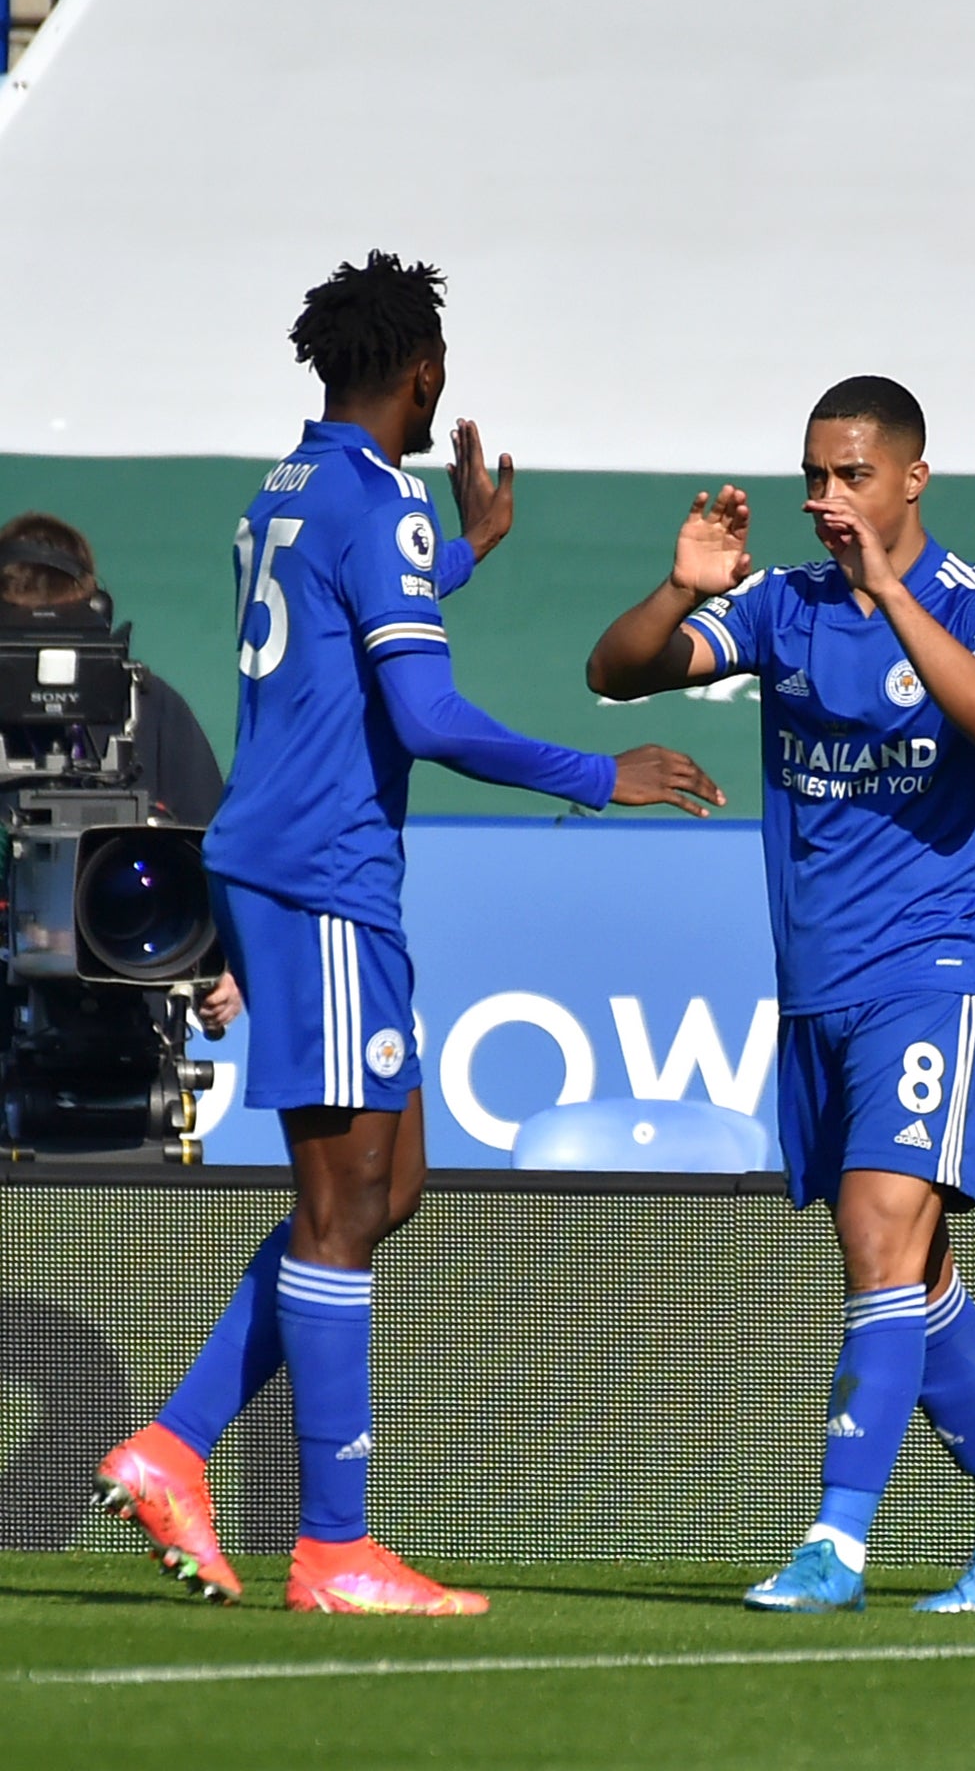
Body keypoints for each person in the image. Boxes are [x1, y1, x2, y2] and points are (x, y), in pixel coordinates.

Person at [91, 252, 719, 1614]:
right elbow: (425, 716)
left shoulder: (290, 488)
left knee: (388, 1188)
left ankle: (170, 1445)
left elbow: (352, 625)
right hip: (318, 871)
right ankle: (334, 1548)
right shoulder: (372, 508)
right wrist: (604, 773)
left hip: (309, 868)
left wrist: (470, 551)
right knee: (338, 1207)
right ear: (424, 372)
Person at [587, 374, 975, 1615]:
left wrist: (893, 594)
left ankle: (836, 1542)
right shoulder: (785, 606)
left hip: (932, 971)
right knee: (912, 1272)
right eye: (814, 475)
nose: (826, 500)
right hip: (814, 987)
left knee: (879, 1234)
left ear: (913, 478)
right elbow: (616, 671)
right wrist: (683, 590)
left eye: (851, 475)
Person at [1, 512, 245, 1036]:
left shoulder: (143, 706)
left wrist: (229, 964)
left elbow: (218, 850)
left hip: (132, 1008)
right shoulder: (152, 702)